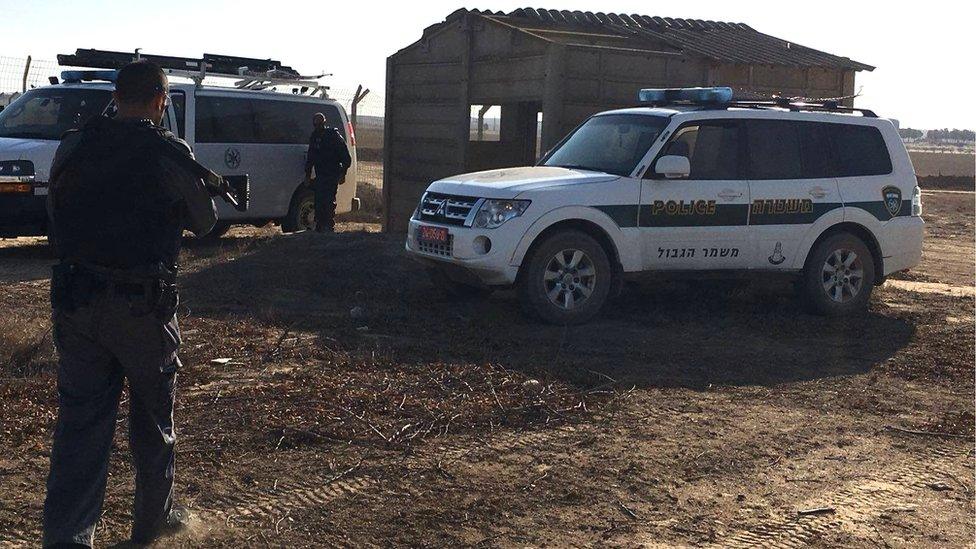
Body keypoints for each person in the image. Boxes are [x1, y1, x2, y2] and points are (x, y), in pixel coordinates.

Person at [42, 61, 217, 548]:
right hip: (143, 308)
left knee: (80, 428)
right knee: (153, 421)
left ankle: (67, 540)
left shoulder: (74, 144)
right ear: (161, 101)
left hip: (78, 302)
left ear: (115, 96)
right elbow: (205, 222)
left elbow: (55, 212)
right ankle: (150, 526)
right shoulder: (167, 151)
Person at [304, 113, 351, 232]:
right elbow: (311, 157)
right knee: (319, 200)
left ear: (324, 123)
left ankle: (329, 225)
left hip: (332, 174)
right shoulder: (315, 137)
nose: (317, 127)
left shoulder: (333, 136)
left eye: (319, 124)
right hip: (320, 174)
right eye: (315, 124)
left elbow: (346, 157)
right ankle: (320, 225)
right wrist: (308, 175)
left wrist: (343, 173)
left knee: (329, 200)